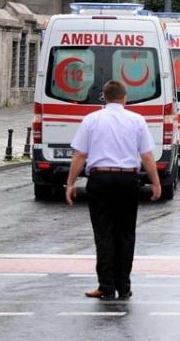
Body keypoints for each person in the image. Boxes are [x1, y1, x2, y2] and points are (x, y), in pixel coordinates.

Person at [65, 80, 161, 301]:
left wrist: (70, 183)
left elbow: (80, 155)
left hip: (100, 179)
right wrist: (155, 183)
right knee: (126, 233)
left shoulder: (91, 120)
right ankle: (124, 286)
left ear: (104, 98)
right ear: (125, 97)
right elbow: (146, 156)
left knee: (104, 232)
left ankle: (106, 286)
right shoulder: (137, 120)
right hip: (127, 179)